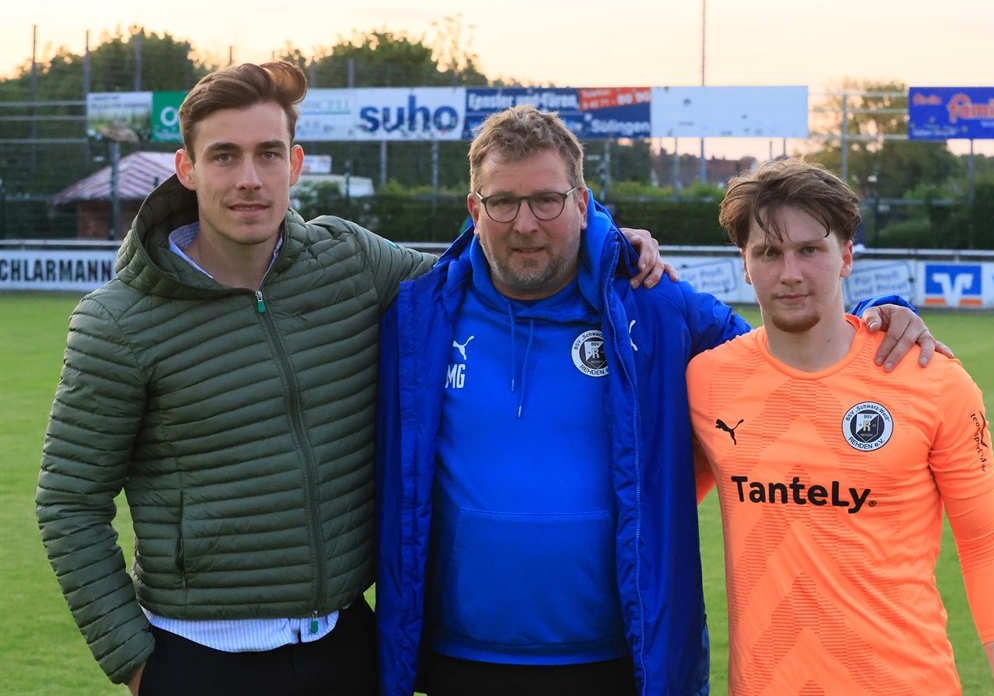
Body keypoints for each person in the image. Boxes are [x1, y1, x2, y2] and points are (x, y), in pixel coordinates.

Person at [35, 62, 672, 696]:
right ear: (187, 169)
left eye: (268, 154)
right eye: (224, 156)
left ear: (297, 163)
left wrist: (603, 238)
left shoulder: (349, 261)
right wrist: (137, 664)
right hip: (198, 659)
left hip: (349, 649)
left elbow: (492, 259)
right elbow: (69, 503)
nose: (249, 179)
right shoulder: (117, 321)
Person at [375, 107, 941, 696]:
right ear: (474, 208)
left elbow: (786, 356)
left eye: (546, 200)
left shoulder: (655, 306)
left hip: (622, 662)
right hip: (459, 663)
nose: (525, 224)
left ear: (582, 201)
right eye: (502, 202)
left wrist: (881, 316)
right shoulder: (417, 318)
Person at [687, 159, 994, 696]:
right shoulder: (707, 382)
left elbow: (984, 540)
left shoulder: (932, 379)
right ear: (745, 265)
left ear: (846, 257)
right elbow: (657, 513)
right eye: (769, 253)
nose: (791, 272)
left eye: (810, 250)